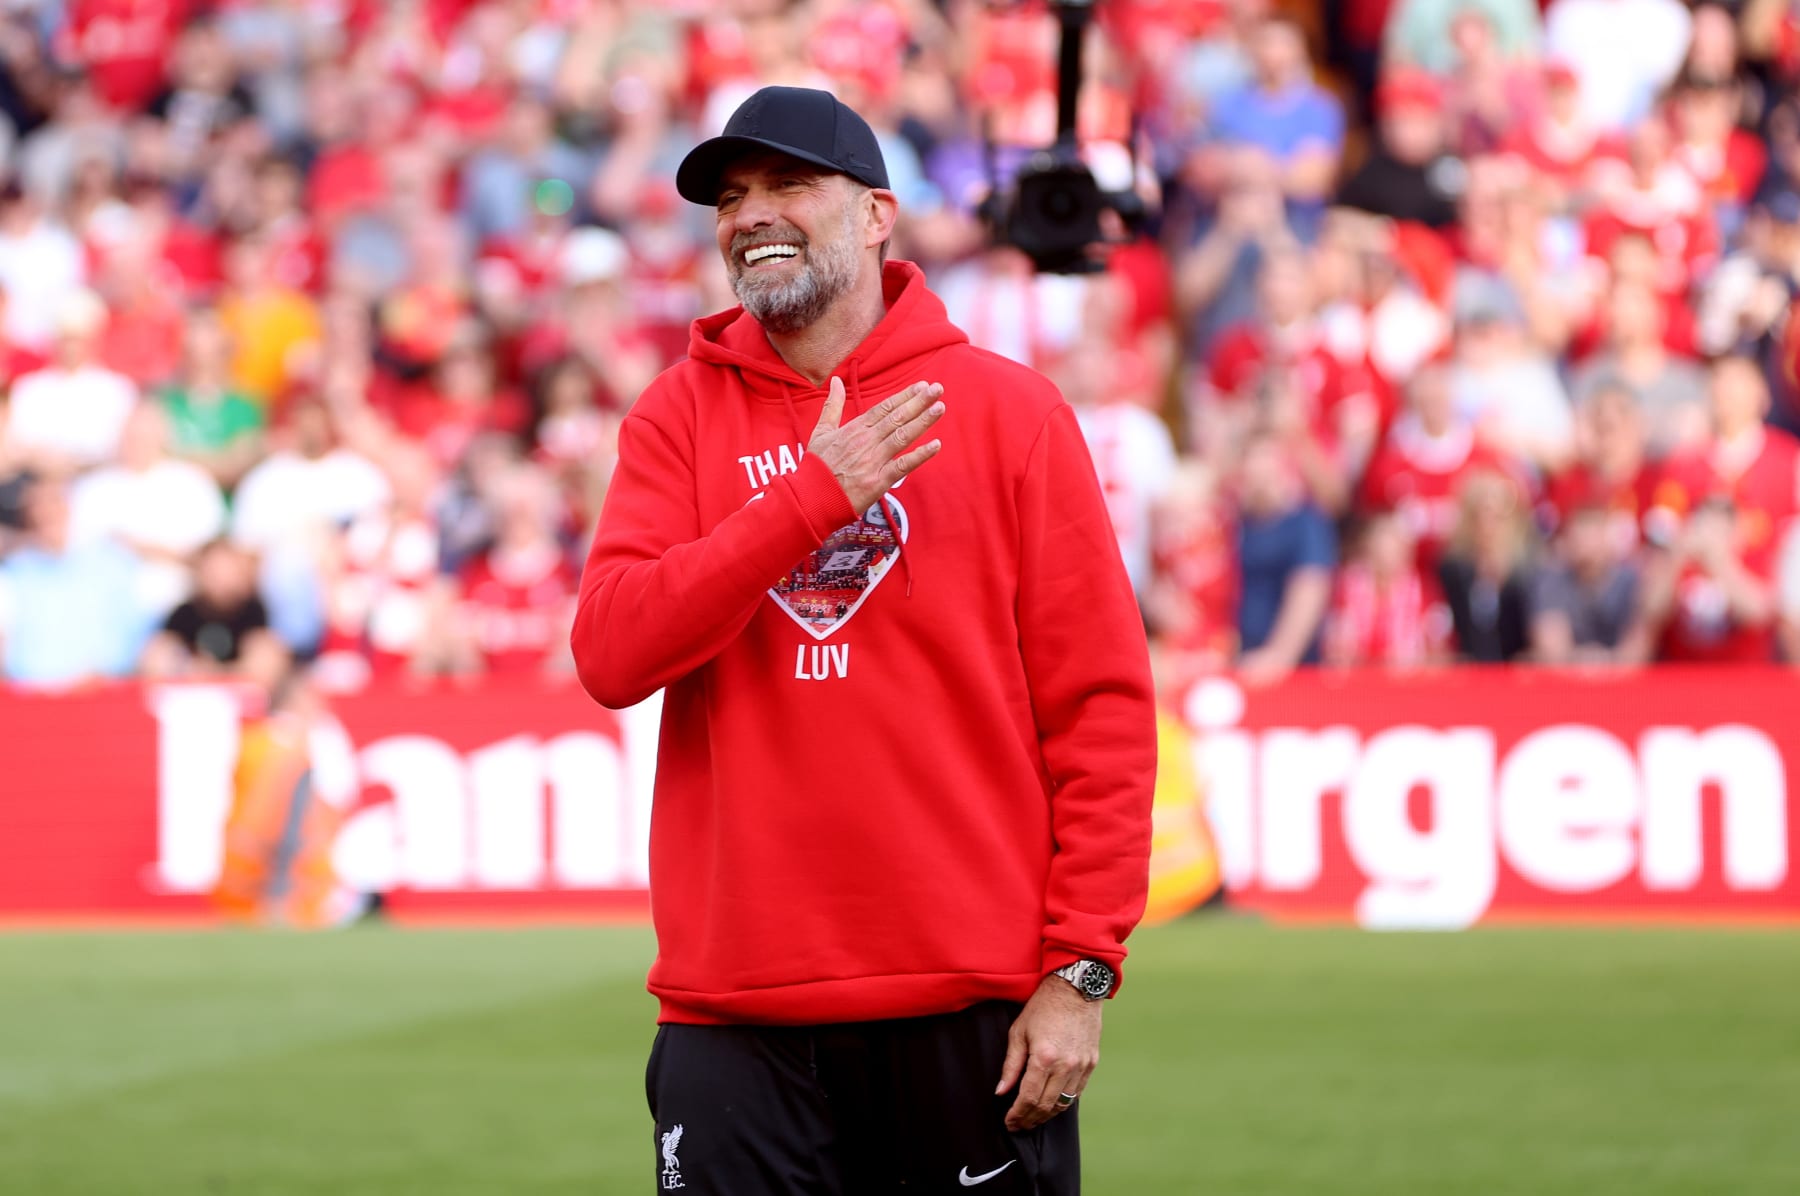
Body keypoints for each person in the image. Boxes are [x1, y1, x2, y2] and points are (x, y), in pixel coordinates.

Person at [570, 87, 1155, 1194]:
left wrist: (1082, 972)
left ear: (877, 212)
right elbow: (611, 654)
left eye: (788, 184)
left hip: (971, 1011)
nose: (752, 214)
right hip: (731, 1013)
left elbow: (1103, 712)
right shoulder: (675, 416)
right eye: (731, 197)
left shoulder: (1010, 413)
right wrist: (807, 500)